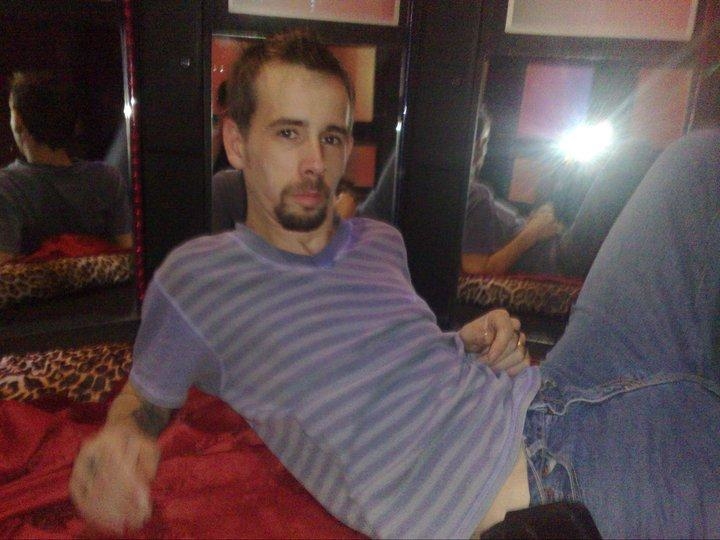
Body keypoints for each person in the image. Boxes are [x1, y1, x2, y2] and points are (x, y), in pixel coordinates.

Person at [69, 29, 720, 539]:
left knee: (695, 161)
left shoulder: (380, 241)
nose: (314, 162)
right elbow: (141, 401)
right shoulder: (199, 280)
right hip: (549, 476)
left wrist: (468, 342)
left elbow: (400, 353)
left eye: (331, 137)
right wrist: (124, 437)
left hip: (559, 387)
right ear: (236, 142)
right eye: (288, 133)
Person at [0, 71, 132, 264]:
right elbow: (127, 254)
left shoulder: (7, 187)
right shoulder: (107, 178)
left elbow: (3, 267)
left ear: (18, 122)